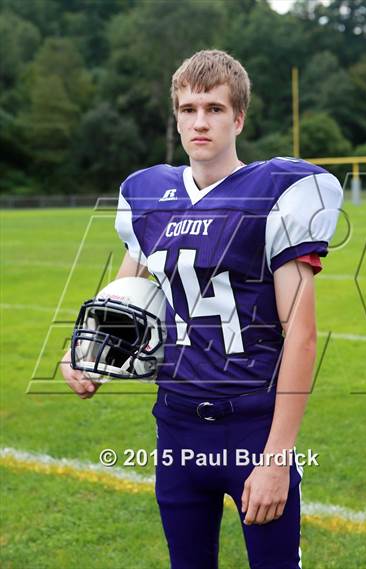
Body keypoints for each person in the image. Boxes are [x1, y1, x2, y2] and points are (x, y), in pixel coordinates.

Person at [61, 49, 343, 568]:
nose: (200, 121)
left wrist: (277, 459)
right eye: (188, 109)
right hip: (177, 427)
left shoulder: (275, 192)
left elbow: (301, 335)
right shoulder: (150, 195)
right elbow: (122, 298)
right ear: (176, 117)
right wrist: (81, 355)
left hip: (252, 427)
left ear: (237, 118)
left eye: (214, 108)